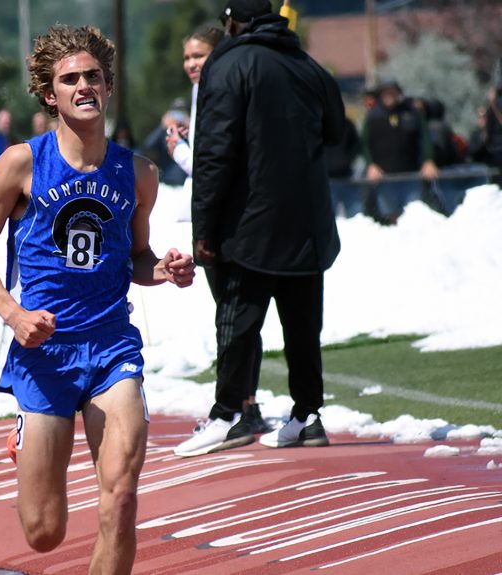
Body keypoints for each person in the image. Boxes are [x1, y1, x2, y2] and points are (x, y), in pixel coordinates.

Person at [0, 25, 196, 573]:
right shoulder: (22, 163)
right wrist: (13, 315)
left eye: (92, 76)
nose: (83, 86)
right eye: (70, 79)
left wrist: (162, 268)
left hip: (112, 348)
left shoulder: (139, 174)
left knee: (121, 500)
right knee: (44, 532)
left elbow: (136, 257)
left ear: (107, 87)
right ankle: (27, 431)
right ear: (50, 94)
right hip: (45, 353)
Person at [176, 0, 344, 457]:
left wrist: (203, 227)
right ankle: (307, 415)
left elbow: (214, 152)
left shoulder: (228, 63)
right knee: (303, 326)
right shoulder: (307, 64)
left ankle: (227, 415)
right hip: (307, 223)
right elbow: (337, 133)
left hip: (250, 224)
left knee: (236, 322)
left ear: (231, 20)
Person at [162, 25, 224, 223]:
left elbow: (208, 169)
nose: (191, 64)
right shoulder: (199, 88)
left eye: (198, 56)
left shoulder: (220, 94)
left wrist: (178, 148)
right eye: (187, 58)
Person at [360, 80, 438, 223]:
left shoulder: (412, 113)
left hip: (411, 175)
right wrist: (371, 165)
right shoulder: (373, 116)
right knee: (390, 217)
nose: (389, 97)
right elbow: (365, 143)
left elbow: (425, 138)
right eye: (385, 94)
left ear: (399, 94)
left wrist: (428, 160)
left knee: (414, 215)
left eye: (392, 93)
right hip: (385, 178)